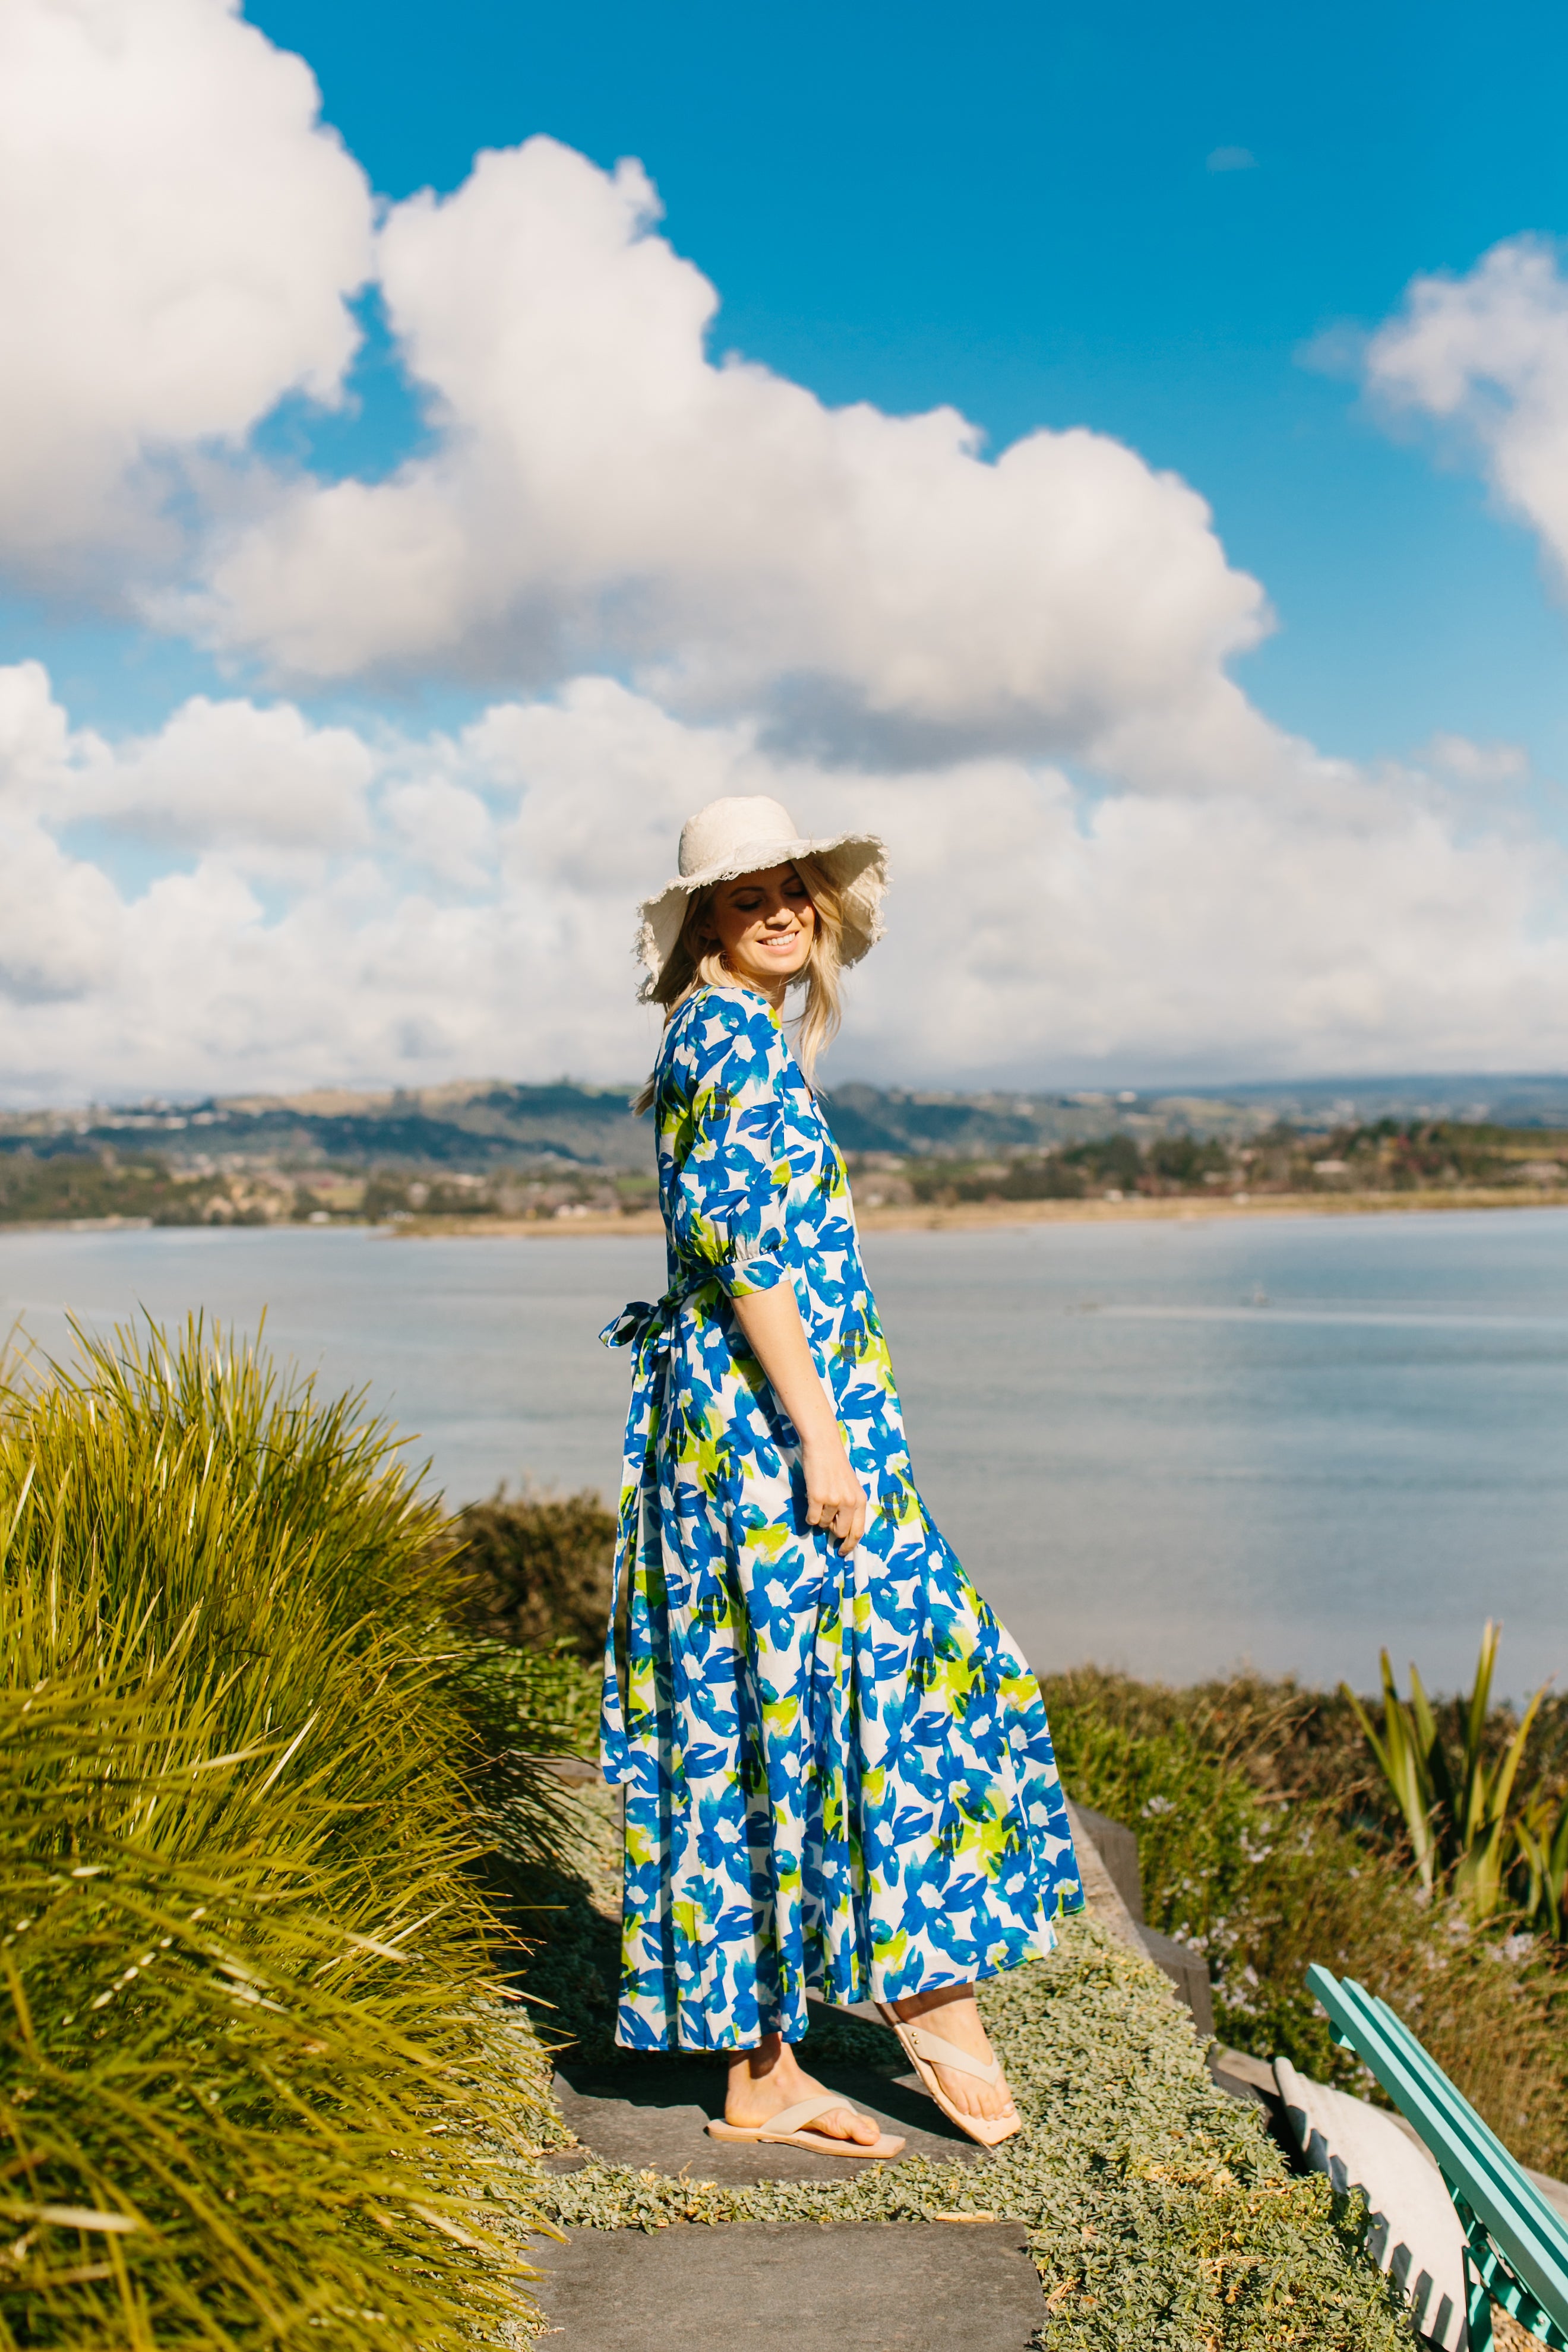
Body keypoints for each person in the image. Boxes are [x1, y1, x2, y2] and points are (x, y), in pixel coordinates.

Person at [599, 795, 1081, 2157]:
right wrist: (819, 1435)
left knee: (773, 1708)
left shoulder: (734, 1039)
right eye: (747, 893)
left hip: (768, 1420)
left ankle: (769, 2069)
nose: (780, 907)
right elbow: (750, 1259)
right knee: (912, 1669)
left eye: (794, 885)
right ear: (704, 919)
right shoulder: (728, 1046)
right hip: (771, 1431)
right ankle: (933, 1999)